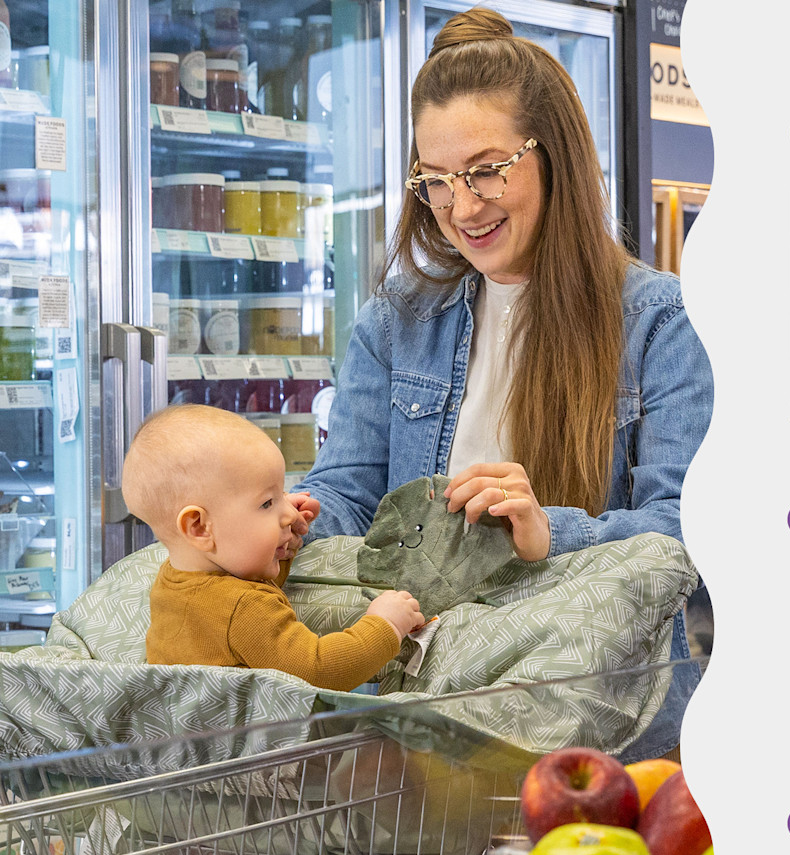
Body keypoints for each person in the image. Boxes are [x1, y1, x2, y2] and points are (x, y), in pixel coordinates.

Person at [300, 7, 712, 757]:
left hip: (607, 735)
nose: (462, 207)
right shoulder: (397, 323)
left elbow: (695, 534)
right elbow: (348, 498)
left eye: (486, 170)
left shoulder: (659, 322)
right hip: (423, 721)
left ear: (553, 153)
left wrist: (553, 531)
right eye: (436, 181)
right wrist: (280, 518)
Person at [122, 405, 424, 692]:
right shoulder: (244, 610)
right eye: (267, 503)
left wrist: (281, 543)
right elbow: (320, 670)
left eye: (282, 494)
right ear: (199, 527)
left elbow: (250, 584)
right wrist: (385, 624)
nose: (290, 513)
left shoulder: (174, 580)